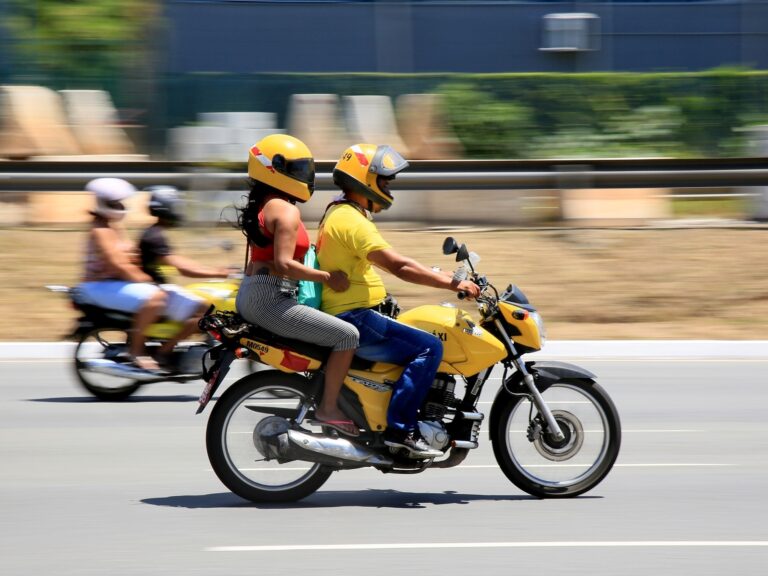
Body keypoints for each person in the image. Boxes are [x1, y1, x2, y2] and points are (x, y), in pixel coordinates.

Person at [316, 143, 481, 457]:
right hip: (354, 317)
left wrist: (443, 273)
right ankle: (401, 431)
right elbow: (400, 266)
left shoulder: (341, 213)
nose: (389, 185)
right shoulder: (350, 220)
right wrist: (453, 282)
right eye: (384, 178)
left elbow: (393, 264)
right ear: (364, 179)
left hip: (354, 313)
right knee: (429, 347)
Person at [234, 134, 361, 437]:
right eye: (298, 169)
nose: (305, 176)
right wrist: (329, 277)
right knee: (347, 336)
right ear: (274, 169)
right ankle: (329, 408)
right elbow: (284, 264)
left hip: (254, 292)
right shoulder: (286, 210)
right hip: (271, 299)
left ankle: (324, 395)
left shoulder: (265, 204)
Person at [76, 178, 169, 371]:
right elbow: (117, 263)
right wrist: (144, 279)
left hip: (114, 283)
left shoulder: (114, 227)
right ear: (103, 203)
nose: (120, 206)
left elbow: (130, 256)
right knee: (156, 297)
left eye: (120, 203)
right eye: (115, 203)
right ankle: (136, 351)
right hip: (98, 286)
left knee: (164, 295)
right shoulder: (100, 230)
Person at [138, 186, 231, 370]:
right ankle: (164, 352)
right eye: (176, 207)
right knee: (206, 312)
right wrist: (218, 273)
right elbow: (183, 269)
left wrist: (215, 270)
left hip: (159, 289)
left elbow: (181, 261)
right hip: (157, 291)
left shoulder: (155, 233)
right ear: (167, 209)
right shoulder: (154, 237)